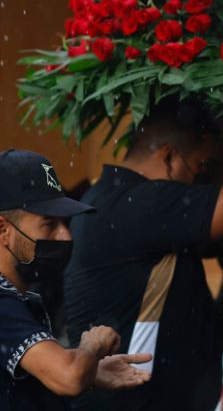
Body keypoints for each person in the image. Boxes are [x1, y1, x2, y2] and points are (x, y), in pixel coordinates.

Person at [63, 97, 223, 410]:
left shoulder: (126, 208)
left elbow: (210, 340)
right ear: (168, 158)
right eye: (204, 167)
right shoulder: (140, 204)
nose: (206, 184)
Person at [0, 149, 151, 411]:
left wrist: (89, 370)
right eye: (49, 224)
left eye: (64, 222)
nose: (65, 236)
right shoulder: (2, 305)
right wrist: (91, 347)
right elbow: (67, 377)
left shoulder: (16, 302)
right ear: (3, 230)